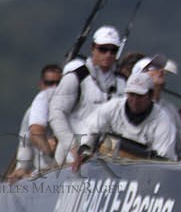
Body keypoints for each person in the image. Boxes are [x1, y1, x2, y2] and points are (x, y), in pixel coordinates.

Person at [72, 70, 181, 165]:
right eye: (132, 94)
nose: (135, 100)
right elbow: (89, 131)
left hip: (143, 171)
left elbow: (164, 160)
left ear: (150, 95)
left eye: (140, 96)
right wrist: (84, 149)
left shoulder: (163, 119)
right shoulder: (111, 108)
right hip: (106, 166)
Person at [49, 25, 126, 161]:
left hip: (108, 157)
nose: (108, 54)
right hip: (72, 157)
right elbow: (56, 113)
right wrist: (72, 147)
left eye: (113, 50)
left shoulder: (123, 83)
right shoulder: (76, 77)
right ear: (93, 48)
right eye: (103, 49)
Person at [8, 63, 62, 180]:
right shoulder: (32, 112)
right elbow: (26, 142)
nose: (54, 88)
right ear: (41, 85)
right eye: (49, 83)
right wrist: (21, 168)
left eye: (58, 84)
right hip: (44, 172)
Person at [135, 55, 181, 162]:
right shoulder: (129, 107)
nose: (160, 71)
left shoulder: (170, 109)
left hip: (167, 170)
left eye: (160, 68)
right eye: (152, 68)